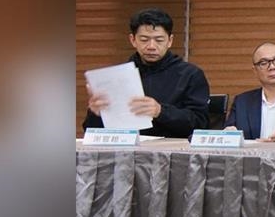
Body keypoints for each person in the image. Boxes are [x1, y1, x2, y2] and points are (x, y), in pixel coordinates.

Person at [83, 8, 210, 138]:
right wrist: (96, 113)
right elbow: (90, 132)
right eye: (144, 40)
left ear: (170, 41)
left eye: (159, 40)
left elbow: (200, 123)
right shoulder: (117, 77)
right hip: (126, 146)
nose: (151, 46)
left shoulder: (190, 74)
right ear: (133, 40)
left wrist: (160, 111)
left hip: (172, 147)